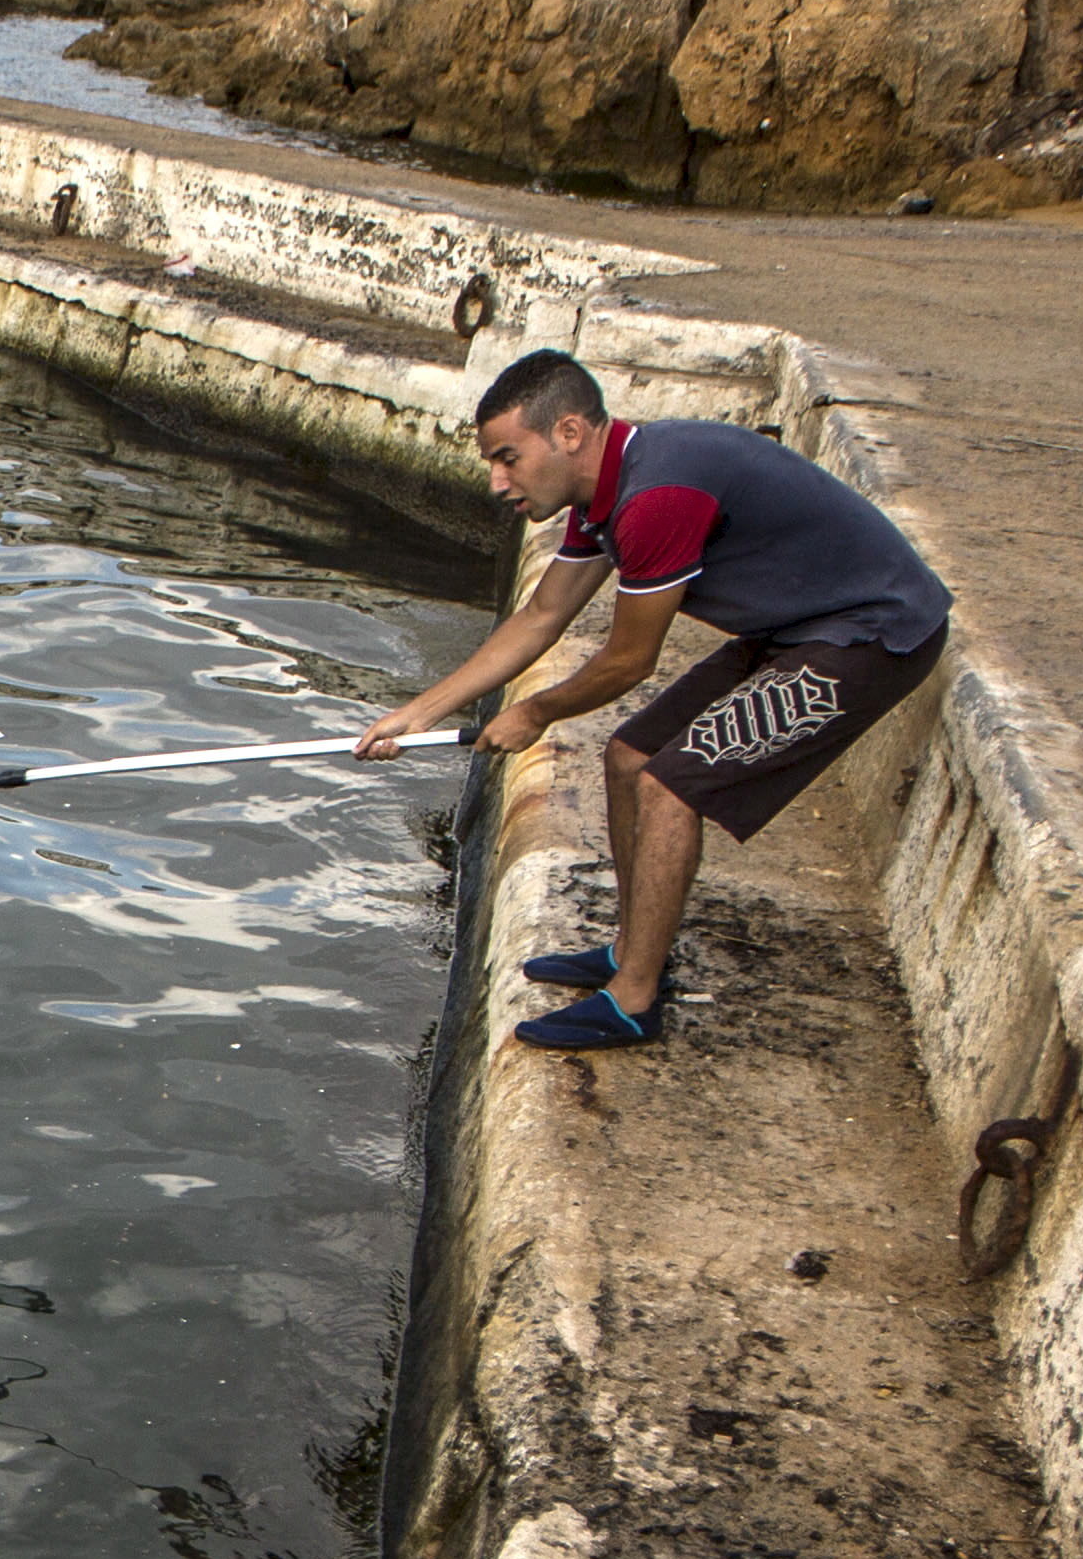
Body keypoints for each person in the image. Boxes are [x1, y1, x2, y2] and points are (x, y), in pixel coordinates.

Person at [359, 347, 953, 1051]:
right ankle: (631, 953)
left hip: (871, 637)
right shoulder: (603, 494)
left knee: (673, 785)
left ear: (570, 433)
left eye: (508, 457)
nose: (497, 480)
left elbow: (629, 660)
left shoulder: (656, 499)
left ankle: (634, 1000)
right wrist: (421, 711)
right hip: (795, 630)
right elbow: (542, 617)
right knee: (628, 756)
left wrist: (538, 710)